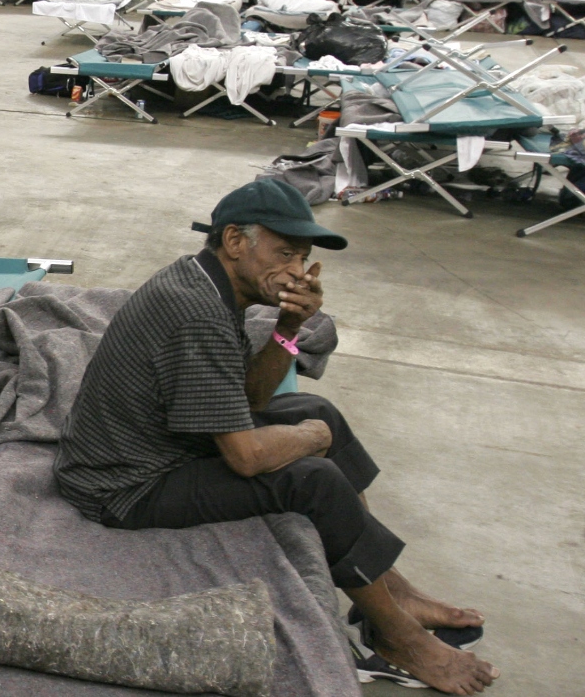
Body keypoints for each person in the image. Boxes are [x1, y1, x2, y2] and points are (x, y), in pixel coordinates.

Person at [56, 180, 498, 695]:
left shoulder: (208, 284)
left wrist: (288, 325)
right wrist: (311, 439)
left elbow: (251, 397)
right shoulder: (195, 312)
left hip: (164, 444)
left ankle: (393, 590)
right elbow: (245, 458)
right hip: (124, 487)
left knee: (316, 408)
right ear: (235, 242)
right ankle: (399, 639)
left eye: (302, 256)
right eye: (283, 252)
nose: (294, 270)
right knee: (313, 477)